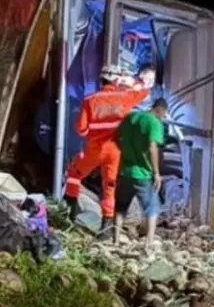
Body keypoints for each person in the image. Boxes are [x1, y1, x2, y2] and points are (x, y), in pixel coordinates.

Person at [63, 64, 155, 237]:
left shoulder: (90, 100)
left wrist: (93, 132)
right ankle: (106, 229)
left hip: (94, 149)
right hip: (115, 150)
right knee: (110, 186)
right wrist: (134, 80)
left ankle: (68, 215)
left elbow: (80, 129)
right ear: (117, 79)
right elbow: (144, 91)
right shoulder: (125, 97)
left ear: (101, 79)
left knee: (74, 174)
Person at [113, 97, 168, 249]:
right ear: (161, 110)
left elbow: (117, 138)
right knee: (152, 208)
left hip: (125, 171)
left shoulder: (130, 117)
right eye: (163, 114)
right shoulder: (154, 123)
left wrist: (126, 153)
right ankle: (148, 244)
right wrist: (156, 173)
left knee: (120, 207)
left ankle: (116, 241)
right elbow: (152, 147)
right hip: (142, 174)